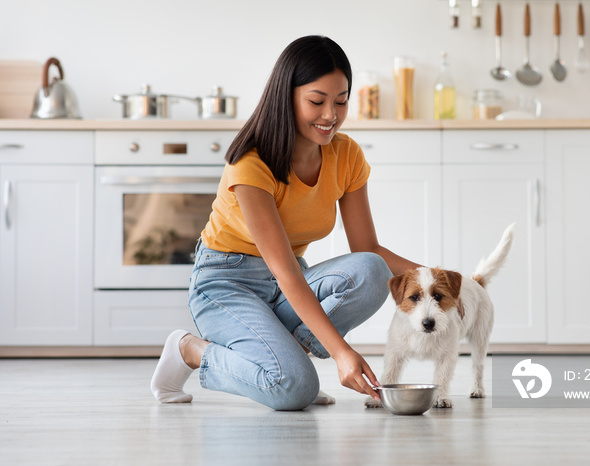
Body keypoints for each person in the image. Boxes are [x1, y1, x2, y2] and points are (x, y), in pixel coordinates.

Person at [150, 35, 421, 411]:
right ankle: (191, 351)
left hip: (284, 284)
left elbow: (368, 250)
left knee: (373, 271)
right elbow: (287, 273)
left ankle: (285, 359)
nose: (330, 115)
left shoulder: (346, 155)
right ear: (286, 95)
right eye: (316, 101)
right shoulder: (251, 162)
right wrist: (341, 353)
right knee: (294, 390)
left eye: (341, 101)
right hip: (226, 284)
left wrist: (443, 278)